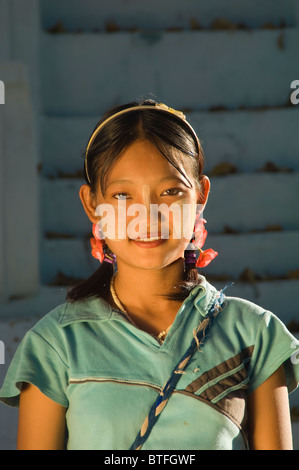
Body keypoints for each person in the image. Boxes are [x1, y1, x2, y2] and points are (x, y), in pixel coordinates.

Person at [0, 99, 298, 450]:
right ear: (92, 204)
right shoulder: (56, 344)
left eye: (171, 192)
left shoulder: (253, 334)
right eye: (123, 195)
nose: (148, 216)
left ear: (200, 194)